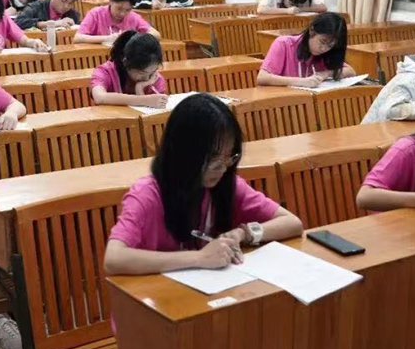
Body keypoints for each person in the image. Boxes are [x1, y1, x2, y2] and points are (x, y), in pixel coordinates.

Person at [103, 93, 303, 275]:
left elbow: (292, 223)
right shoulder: (148, 194)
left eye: (230, 157)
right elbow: (114, 258)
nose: (223, 168)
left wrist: (242, 233)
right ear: (184, 154)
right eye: (214, 159)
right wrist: (198, 258)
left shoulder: (226, 184)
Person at [257, 12, 355, 87]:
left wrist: (326, 73)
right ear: (312, 31)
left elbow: (351, 71)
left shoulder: (329, 53)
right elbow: (262, 77)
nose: (324, 48)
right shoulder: (284, 44)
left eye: (330, 46)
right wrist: (302, 81)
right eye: (322, 42)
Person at [90, 31, 168, 108]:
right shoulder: (105, 71)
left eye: (152, 72)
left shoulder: (155, 78)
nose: (147, 78)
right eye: (142, 73)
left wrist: (139, 88)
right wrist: (145, 100)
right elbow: (99, 97)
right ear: (126, 62)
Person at [74, 0, 160, 44]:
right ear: (111, 1)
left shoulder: (133, 17)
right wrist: (107, 38)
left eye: (127, 10)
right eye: (119, 8)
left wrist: (134, 38)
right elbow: (78, 38)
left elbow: (156, 34)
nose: (122, 13)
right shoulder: (96, 14)